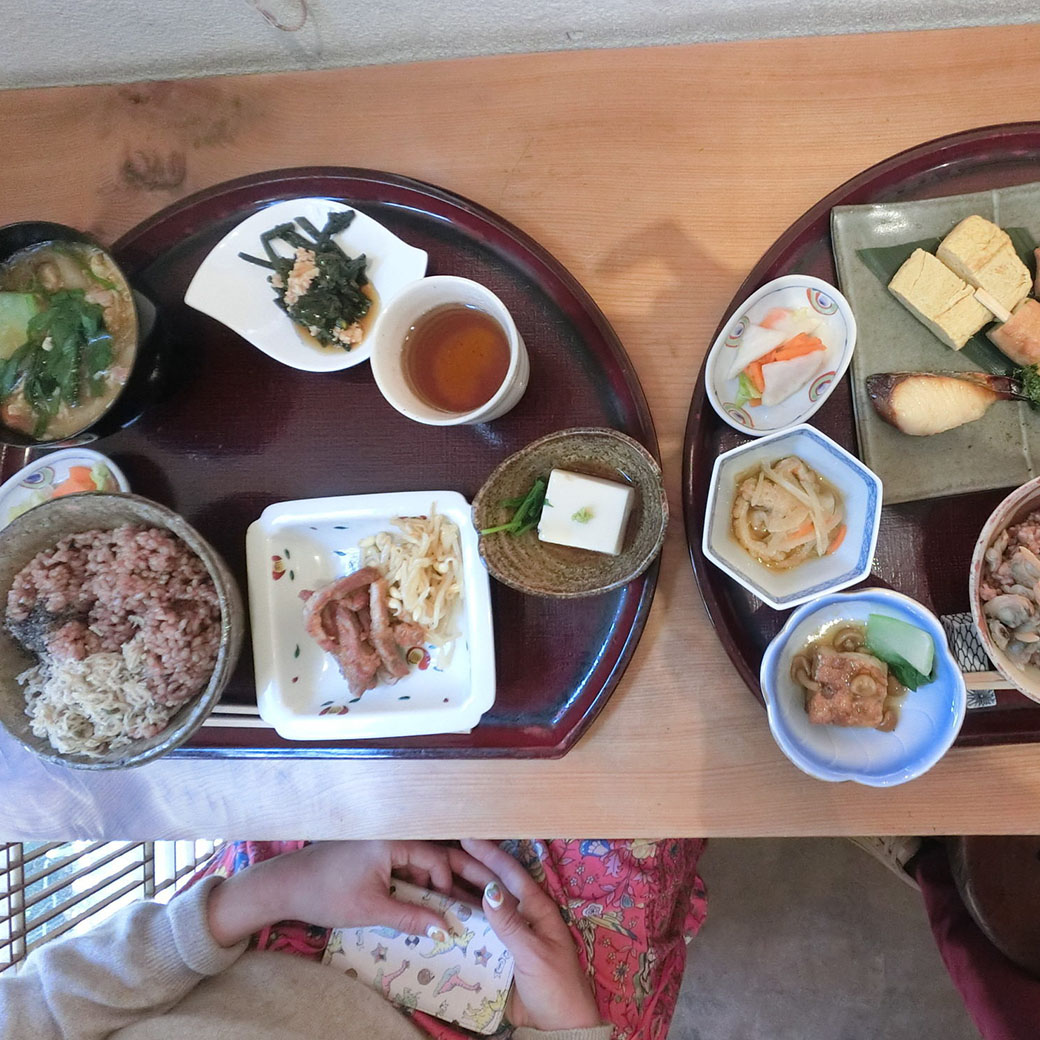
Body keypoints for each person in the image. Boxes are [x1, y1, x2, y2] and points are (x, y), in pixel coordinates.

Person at [1, 838, 708, 1040]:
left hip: (252, 929)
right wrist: (563, 1025)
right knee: (634, 807)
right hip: (522, 1016)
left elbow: (45, 1005)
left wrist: (277, 889)